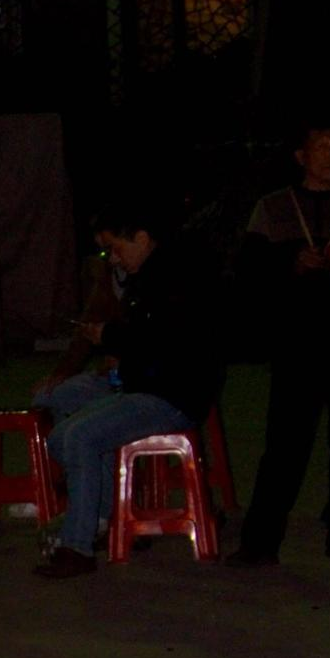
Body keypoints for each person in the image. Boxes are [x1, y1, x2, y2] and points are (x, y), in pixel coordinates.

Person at [31, 204, 224, 580]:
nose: (114, 259)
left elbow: (162, 342)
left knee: (77, 435)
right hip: (142, 381)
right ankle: (99, 518)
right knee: (60, 408)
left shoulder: (176, 276)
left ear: (141, 238)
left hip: (171, 394)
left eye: (116, 248)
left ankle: (78, 544)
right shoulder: (146, 276)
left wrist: (111, 339)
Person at [232, 124, 330, 565]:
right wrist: (290, 261)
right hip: (298, 344)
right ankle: (260, 542)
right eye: (323, 148)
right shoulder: (273, 209)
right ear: (300, 156)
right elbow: (246, 270)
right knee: (285, 446)